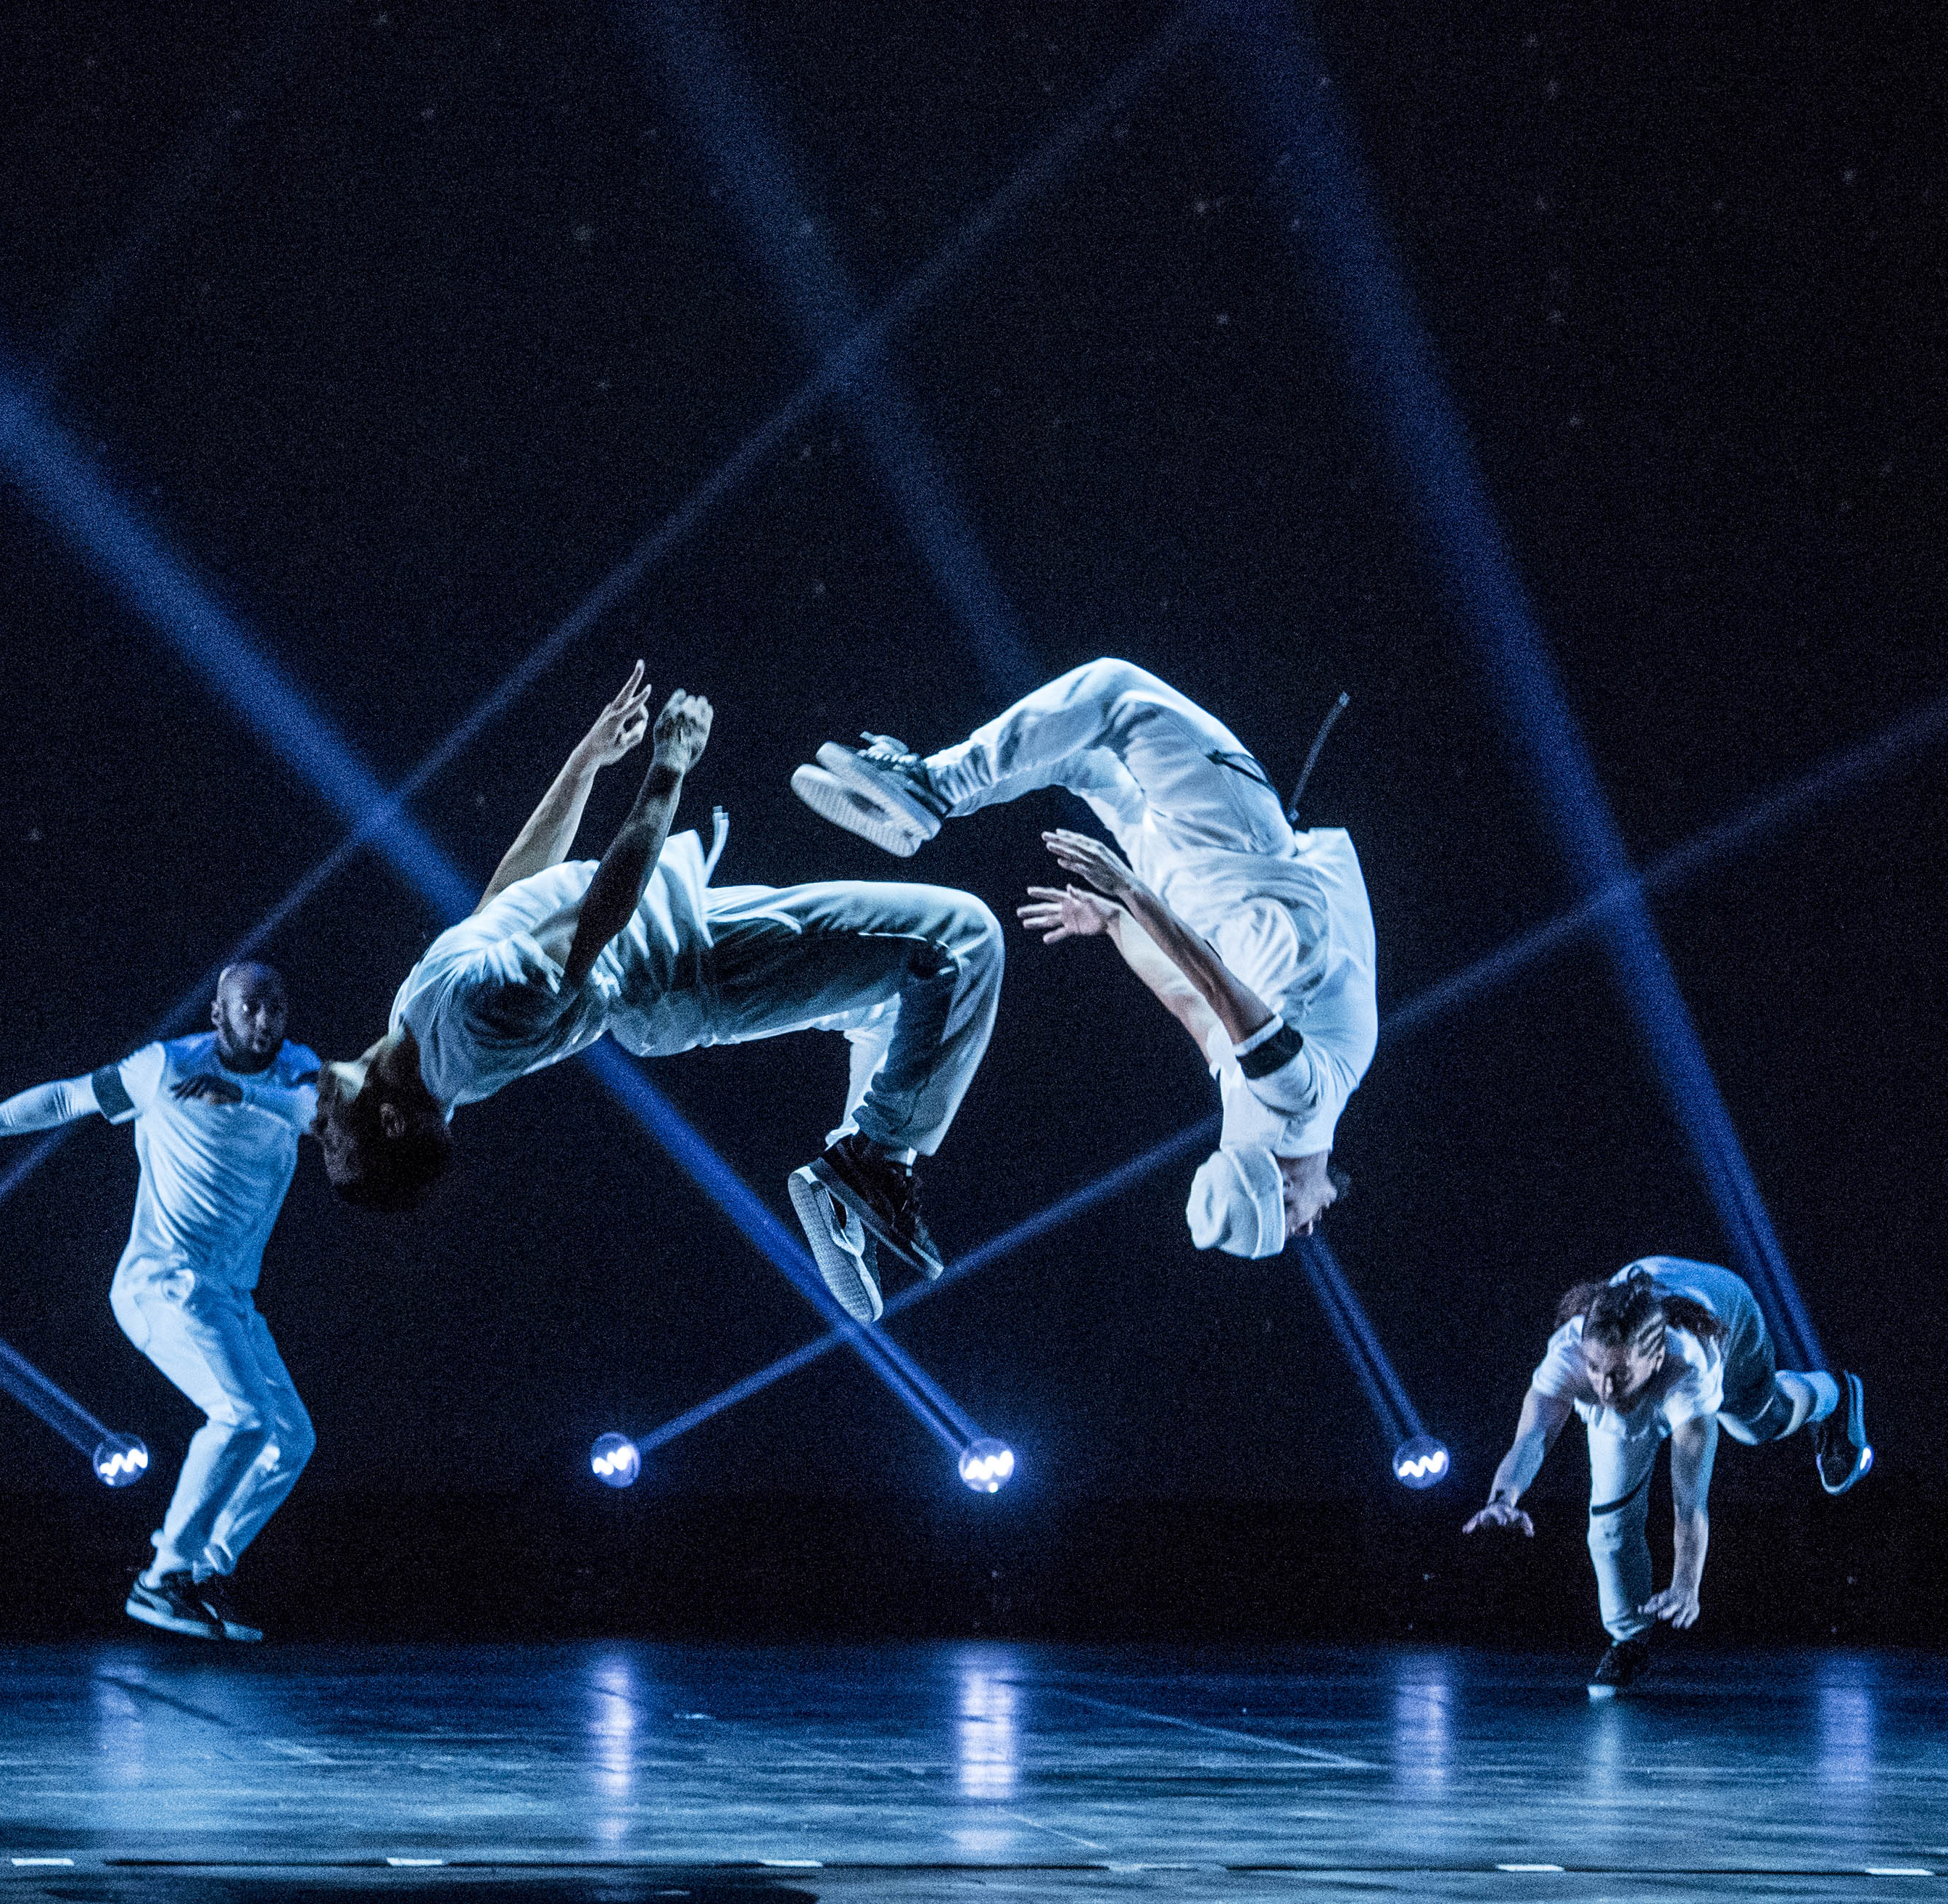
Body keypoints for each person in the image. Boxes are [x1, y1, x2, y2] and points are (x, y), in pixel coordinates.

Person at [314, 664, 1003, 1324]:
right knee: (964, 942)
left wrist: (584, 763)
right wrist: (669, 765)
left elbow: (506, 894)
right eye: (334, 1147)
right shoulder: (469, 1033)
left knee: (892, 1007)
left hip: (688, 942)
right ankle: (873, 1160)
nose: (317, 1129)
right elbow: (597, 918)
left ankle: (859, 1173)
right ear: (394, 1123)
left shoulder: (414, 1020)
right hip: (694, 966)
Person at [791, 659, 1375, 1256]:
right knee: (1078, 759)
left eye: (1293, 1223)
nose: (1308, 1227)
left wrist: (1127, 899)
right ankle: (922, 798)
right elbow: (1193, 1008)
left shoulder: (1299, 1100)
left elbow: (1212, 988)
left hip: (1238, 868)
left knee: (1116, 695)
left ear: (1280, 1188)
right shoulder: (1258, 1119)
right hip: (1203, 893)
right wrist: (1119, 921)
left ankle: (929, 786)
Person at [0, 962, 318, 1644]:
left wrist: (242, 1096)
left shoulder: (296, 1070)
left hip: (229, 1295)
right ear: (219, 1015)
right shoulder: (162, 1069)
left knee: (290, 1436)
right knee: (241, 1416)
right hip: (162, 1284)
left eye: (277, 1008)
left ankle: (202, 1569)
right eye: (251, 1007)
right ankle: (160, 1579)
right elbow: (64, 1101)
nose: (266, 1022)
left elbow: (320, 1119)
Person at [1462, 1256, 1873, 1693]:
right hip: (1649, 1314)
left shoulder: (1688, 1375)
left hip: (1726, 1305)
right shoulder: (1569, 1356)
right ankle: (1628, 1642)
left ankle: (1835, 1393)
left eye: (1618, 1374)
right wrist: (1503, 1500)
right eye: (1595, 1370)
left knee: (1756, 1424)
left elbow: (1689, 1502)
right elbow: (1531, 1440)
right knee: (1610, 1528)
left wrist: (1685, 1583)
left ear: (1655, 1359)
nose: (1603, 1388)